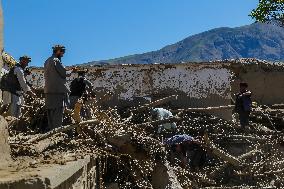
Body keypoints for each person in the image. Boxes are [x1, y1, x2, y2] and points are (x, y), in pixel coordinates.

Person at [44, 45, 71, 130]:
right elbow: (64, 73)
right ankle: (57, 136)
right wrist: (72, 70)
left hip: (48, 92)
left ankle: (51, 134)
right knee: (58, 116)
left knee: (50, 115)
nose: (63, 54)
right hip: (58, 92)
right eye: (63, 51)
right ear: (58, 51)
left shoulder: (47, 61)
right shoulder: (56, 60)